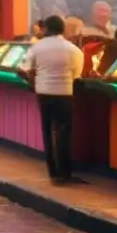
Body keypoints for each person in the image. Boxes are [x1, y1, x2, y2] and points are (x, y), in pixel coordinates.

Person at [19, 15, 84, 184]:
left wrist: (34, 83)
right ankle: (64, 173)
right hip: (64, 93)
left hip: (44, 93)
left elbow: (22, 69)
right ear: (62, 29)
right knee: (63, 132)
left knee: (47, 131)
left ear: (46, 29)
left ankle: (53, 173)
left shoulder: (37, 48)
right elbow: (76, 75)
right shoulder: (73, 50)